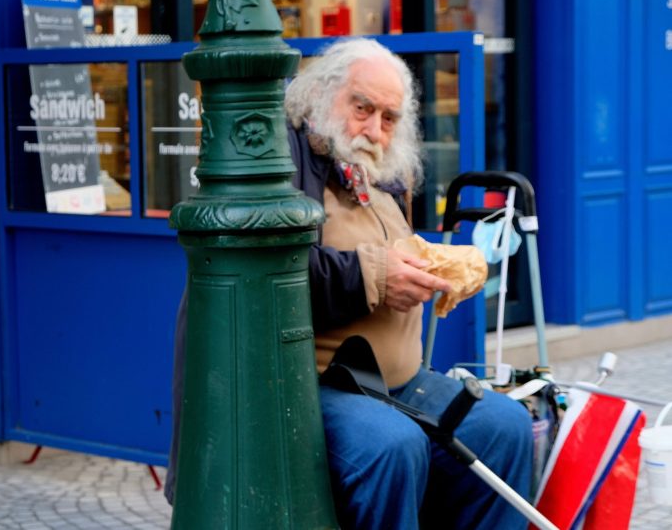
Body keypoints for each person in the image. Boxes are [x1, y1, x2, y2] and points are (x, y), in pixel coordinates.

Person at [166, 37, 533, 530]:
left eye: (389, 119)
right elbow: (272, 275)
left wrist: (425, 270)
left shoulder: (379, 173)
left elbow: (385, 251)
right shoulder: (285, 157)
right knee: (390, 444)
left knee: (504, 425)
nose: (374, 130)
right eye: (363, 108)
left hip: (401, 382)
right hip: (313, 386)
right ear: (322, 93)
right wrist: (375, 275)